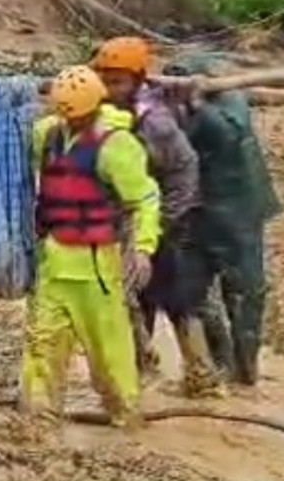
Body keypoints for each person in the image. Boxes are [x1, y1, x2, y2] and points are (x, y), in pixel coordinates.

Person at [22, 65, 160, 424]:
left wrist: (143, 249)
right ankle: (39, 420)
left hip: (97, 266)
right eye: (65, 114)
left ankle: (125, 414)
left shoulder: (117, 144)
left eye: (78, 116)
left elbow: (145, 198)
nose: (72, 122)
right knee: (42, 345)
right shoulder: (47, 135)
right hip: (54, 260)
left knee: (108, 353)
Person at [91, 37, 218, 395]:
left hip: (163, 221)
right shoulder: (112, 113)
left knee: (172, 298)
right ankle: (143, 369)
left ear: (136, 79)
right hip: (131, 221)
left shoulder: (156, 121)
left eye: (117, 81)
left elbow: (186, 169)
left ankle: (198, 374)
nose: (109, 87)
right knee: (138, 296)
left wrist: (164, 221)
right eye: (105, 79)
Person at [164, 52, 282, 386]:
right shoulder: (169, 111)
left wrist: (197, 103)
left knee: (245, 292)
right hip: (195, 215)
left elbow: (228, 135)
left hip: (238, 213)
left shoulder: (230, 103)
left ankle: (246, 372)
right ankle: (216, 365)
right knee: (191, 293)